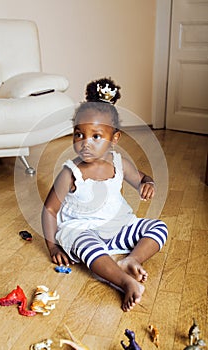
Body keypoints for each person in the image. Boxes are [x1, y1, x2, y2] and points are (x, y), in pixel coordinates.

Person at [42, 77, 168, 312]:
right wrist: (53, 247)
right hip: (82, 228)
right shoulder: (71, 173)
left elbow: (142, 178)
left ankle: (132, 260)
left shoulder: (119, 163)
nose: (85, 143)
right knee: (85, 244)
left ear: (114, 139)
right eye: (79, 134)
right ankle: (124, 281)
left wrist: (147, 183)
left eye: (96, 136)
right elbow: (50, 209)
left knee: (159, 227)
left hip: (118, 226)